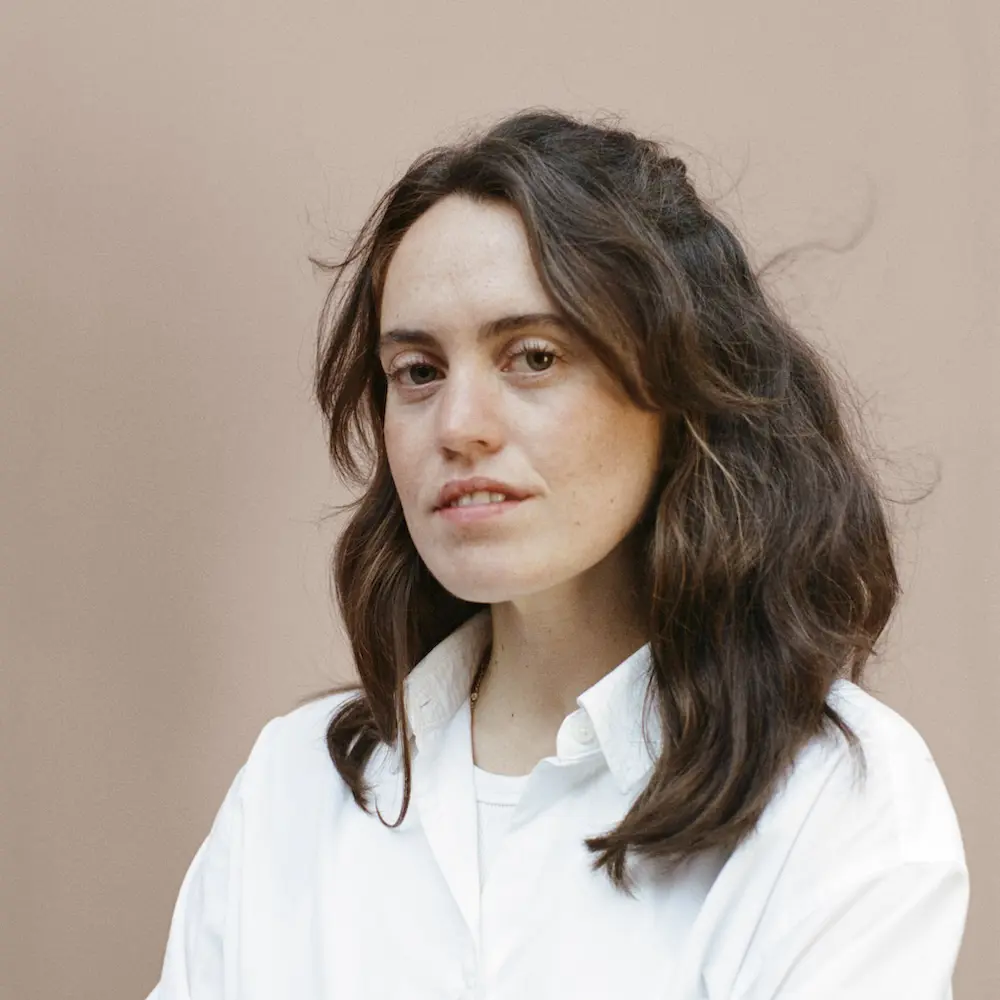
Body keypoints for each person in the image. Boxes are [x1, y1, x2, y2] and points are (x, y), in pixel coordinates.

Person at [145, 109, 968, 999]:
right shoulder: (293, 786)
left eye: (532, 356)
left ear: (679, 388)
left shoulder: (829, 798)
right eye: (417, 371)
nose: (459, 426)